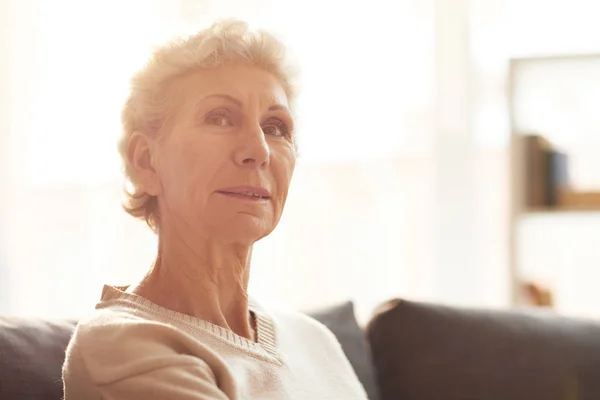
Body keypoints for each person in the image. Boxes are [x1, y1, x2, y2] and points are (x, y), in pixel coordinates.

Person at [62, 20, 368, 399]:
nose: (258, 150)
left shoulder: (315, 340)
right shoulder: (122, 345)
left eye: (275, 127)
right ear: (147, 162)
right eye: (220, 118)